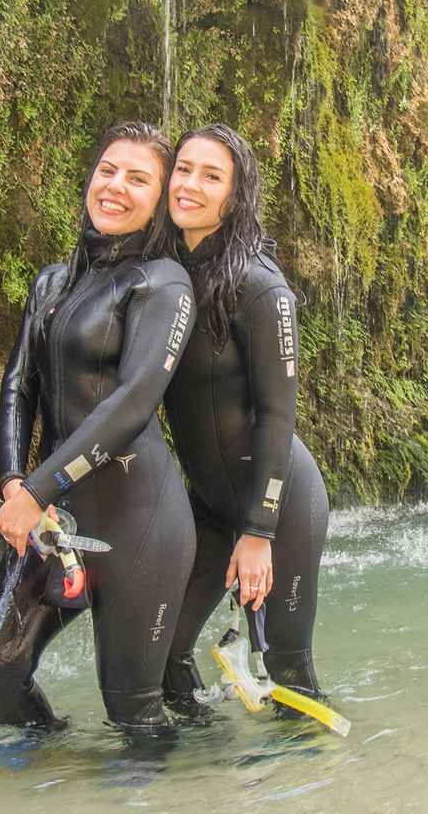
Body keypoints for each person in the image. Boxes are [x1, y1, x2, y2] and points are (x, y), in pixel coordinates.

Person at [0, 121, 197, 730]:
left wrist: (40, 487)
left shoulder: (164, 284)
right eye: (107, 170)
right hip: (51, 518)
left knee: (132, 710)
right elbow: (18, 387)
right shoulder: (52, 280)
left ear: (159, 202)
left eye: (138, 178)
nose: (115, 186)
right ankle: (45, 780)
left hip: (139, 521)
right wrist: (16, 482)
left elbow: (131, 404)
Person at [159, 123, 330, 708]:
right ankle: (201, 771)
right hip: (208, 502)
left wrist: (258, 531)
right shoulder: (165, 271)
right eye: (183, 169)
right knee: (162, 651)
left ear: (234, 196)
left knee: (284, 667)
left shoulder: (261, 286)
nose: (190, 185)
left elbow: (278, 415)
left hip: (280, 506)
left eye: (211, 176)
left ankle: (309, 787)